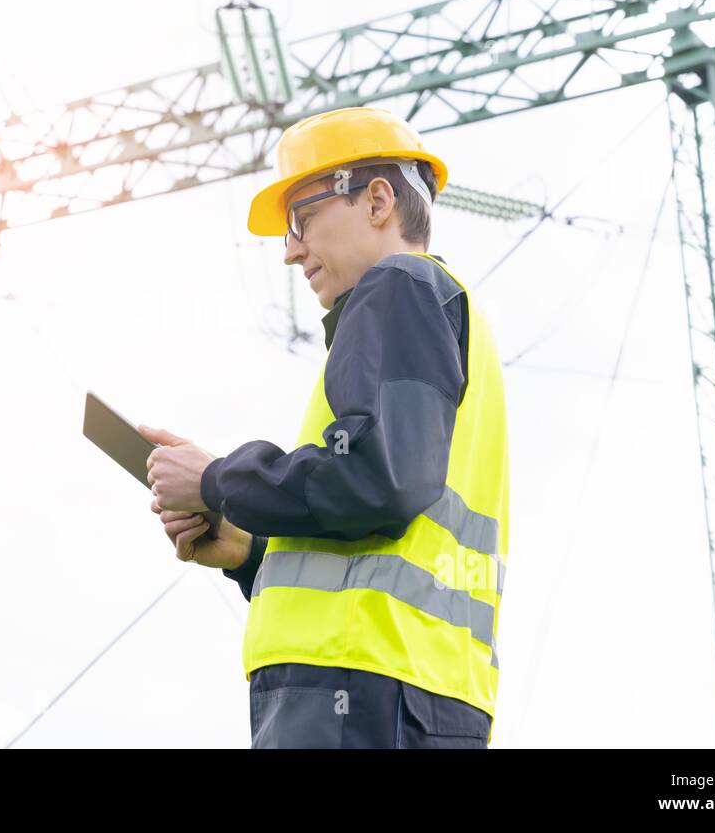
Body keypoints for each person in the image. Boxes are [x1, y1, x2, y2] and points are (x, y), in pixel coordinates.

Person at [140, 105, 509, 749]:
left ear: (376, 201)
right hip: (412, 696)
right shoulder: (444, 312)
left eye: (301, 219)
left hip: (361, 690)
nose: (289, 250)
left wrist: (218, 480)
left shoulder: (399, 286)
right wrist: (252, 555)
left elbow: (380, 480)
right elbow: (389, 541)